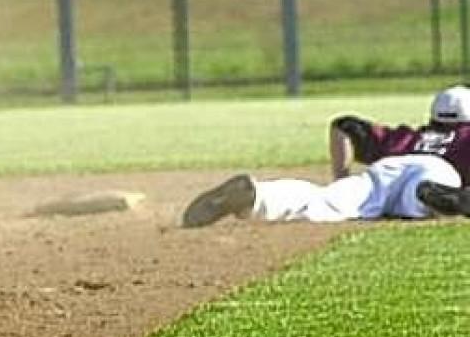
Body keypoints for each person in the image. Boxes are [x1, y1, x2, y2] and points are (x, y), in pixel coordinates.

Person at [182, 85, 470, 227]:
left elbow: (346, 126)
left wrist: (341, 177)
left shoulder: (410, 137)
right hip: (440, 172)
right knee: (425, 201)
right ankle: (437, 197)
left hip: (388, 169)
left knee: (325, 200)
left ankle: (258, 196)